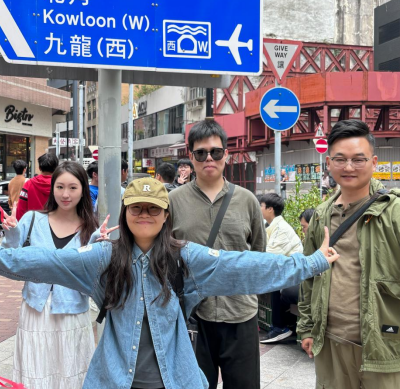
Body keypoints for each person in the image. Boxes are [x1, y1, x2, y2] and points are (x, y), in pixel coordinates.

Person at [0, 177, 339, 389]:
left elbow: (242, 266)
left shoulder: (185, 257)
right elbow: (44, 261)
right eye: (136, 208)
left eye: (153, 209)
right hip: (113, 379)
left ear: (166, 215)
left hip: (175, 379)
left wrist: (310, 263)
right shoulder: (103, 257)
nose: (145, 214)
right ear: (125, 213)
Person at [298, 119, 400, 389]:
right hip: (330, 342)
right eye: (340, 159)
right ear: (329, 163)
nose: (349, 167)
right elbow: (308, 276)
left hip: (385, 346)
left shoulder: (394, 212)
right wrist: (306, 327)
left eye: (358, 159)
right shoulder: (321, 215)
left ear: (374, 162)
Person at [169, 120, 267, 389]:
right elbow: (164, 254)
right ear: (191, 157)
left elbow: (259, 254)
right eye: (201, 153)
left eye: (216, 152)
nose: (209, 158)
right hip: (194, 317)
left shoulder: (247, 200)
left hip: (241, 314)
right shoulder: (174, 201)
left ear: (227, 154)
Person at [0, 161, 108, 388]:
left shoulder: (91, 228)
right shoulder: (32, 219)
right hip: (35, 310)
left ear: (83, 190)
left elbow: (94, 276)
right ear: (52, 189)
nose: (65, 194)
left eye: (73, 187)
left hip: (72, 313)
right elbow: (11, 258)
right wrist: (11, 233)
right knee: (35, 373)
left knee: (71, 375)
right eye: (60, 187)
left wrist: (98, 247)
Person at [258, 193, 303, 343]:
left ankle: (279, 327)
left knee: (273, 282)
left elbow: (269, 256)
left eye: (261, 206)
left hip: (295, 274)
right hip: (288, 271)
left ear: (270, 209)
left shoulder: (282, 229)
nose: (259, 208)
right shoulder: (271, 226)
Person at [16, 153, 58, 220]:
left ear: (39, 168)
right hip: (55, 223)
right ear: (56, 168)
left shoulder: (29, 184)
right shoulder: (60, 185)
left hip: (33, 223)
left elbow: (20, 209)